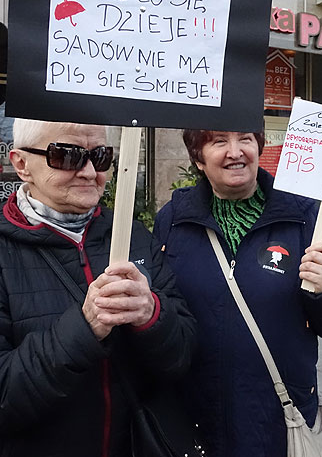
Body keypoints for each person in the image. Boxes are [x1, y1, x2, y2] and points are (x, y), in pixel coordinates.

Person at [153, 129, 322, 457]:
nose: (236, 151)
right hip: (195, 423)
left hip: (277, 422)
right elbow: (162, 315)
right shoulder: (173, 220)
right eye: (219, 141)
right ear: (197, 158)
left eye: (245, 139)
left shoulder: (304, 216)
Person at [0, 119, 197, 457]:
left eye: (101, 156)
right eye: (67, 156)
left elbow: (181, 356)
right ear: (21, 164)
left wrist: (151, 316)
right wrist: (84, 328)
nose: (90, 172)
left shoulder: (134, 235)